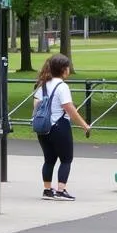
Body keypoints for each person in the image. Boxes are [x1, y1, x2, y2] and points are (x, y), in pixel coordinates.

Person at [33, 53, 91, 201]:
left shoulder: (43, 84)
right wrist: (84, 125)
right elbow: (68, 108)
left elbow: (36, 105)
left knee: (49, 159)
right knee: (66, 159)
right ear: (64, 69)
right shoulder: (62, 86)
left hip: (44, 127)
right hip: (60, 126)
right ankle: (61, 189)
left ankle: (47, 190)